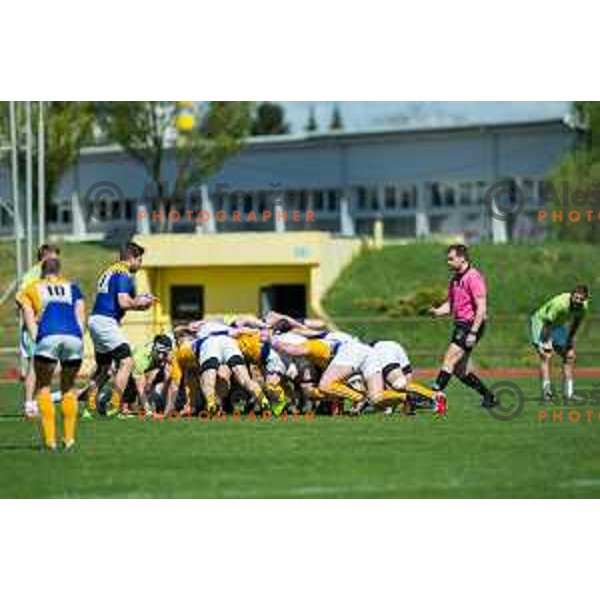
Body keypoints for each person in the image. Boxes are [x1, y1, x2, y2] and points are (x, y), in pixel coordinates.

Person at [18, 258, 85, 450]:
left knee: (44, 387)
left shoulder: (32, 288)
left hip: (48, 335)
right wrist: (77, 337)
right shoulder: (72, 287)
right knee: (68, 388)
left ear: (41, 270)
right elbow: (80, 316)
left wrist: (37, 339)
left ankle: (50, 441)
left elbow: (29, 319)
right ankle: (70, 439)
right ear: (59, 270)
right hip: (74, 337)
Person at [85, 242, 154, 417]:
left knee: (103, 369)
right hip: (106, 321)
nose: (140, 264)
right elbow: (124, 302)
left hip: (96, 320)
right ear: (131, 258)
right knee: (127, 362)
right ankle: (113, 406)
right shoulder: (124, 274)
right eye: (139, 260)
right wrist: (142, 305)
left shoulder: (110, 271)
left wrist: (139, 299)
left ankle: (89, 410)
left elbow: (117, 299)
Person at [429, 244, 496, 408]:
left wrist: (473, 332)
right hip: (461, 326)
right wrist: (437, 312)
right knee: (460, 371)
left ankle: (434, 396)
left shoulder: (473, 277)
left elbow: (481, 307)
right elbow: (451, 305)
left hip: (470, 326)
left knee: (449, 359)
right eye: (447, 259)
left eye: (451, 259)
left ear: (462, 258)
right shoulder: (454, 280)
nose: (448, 262)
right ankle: (489, 397)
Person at [15, 243, 60, 418]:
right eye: (54, 257)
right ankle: (29, 405)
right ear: (45, 256)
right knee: (36, 365)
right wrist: (32, 314)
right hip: (34, 328)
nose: (57, 261)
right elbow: (19, 297)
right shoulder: (33, 274)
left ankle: (33, 404)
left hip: (46, 327)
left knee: (45, 367)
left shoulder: (48, 276)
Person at [530, 284, 590, 402]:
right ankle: (547, 392)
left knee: (570, 355)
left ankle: (569, 393)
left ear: (585, 299)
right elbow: (547, 323)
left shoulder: (583, 307)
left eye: (580, 299)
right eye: (576, 297)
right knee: (545, 355)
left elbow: (576, 324)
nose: (577, 301)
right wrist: (545, 341)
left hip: (557, 325)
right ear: (572, 296)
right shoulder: (560, 304)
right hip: (542, 322)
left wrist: (569, 340)